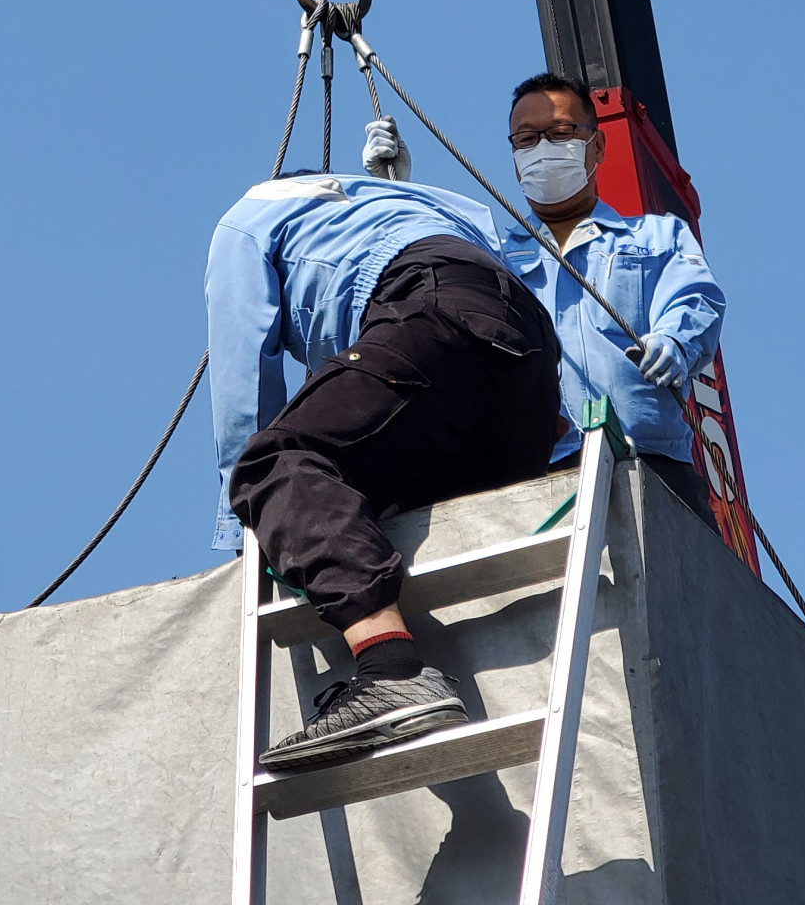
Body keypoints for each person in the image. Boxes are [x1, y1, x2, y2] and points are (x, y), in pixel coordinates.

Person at [208, 132, 563, 772]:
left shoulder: (251, 216)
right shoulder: (429, 202)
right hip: (528, 359)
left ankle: (391, 668)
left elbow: (244, 374)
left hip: (428, 308)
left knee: (277, 463)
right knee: (372, 504)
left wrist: (253, 525)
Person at [496, 72, 728, 533]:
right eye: (527, 139)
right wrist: (394, 190)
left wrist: (675, 342)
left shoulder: (658, 236)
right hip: (534, 478)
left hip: (652, 463)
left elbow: (695, 296)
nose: (543, 148)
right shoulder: (491, 254)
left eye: (561, 133)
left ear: (597, 147)